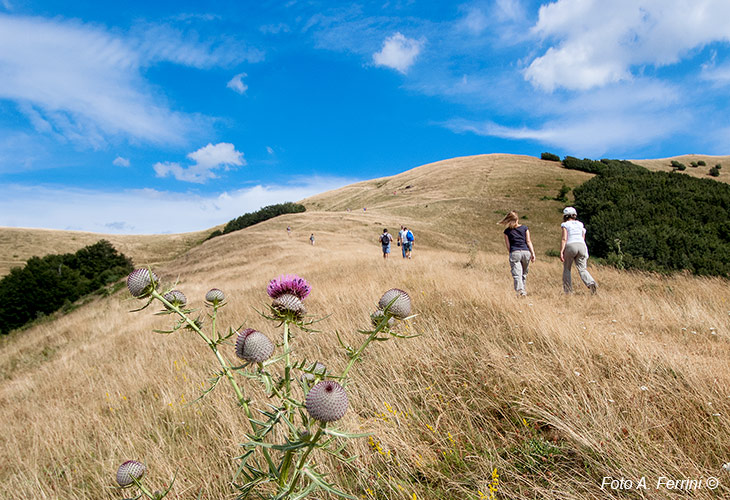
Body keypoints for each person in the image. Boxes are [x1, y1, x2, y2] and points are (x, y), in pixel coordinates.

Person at [560, 207, 597, 294]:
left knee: (567, 269)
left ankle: (568, 291)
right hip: (582, 245)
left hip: (571, 245)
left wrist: (562, 251)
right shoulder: (580, 224)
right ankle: (591, 282)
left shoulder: (565, 225)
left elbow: (564, 238)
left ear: (565, 216)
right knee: (582, 268)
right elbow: (583, 236)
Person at [498, 211, 535, 296]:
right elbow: (528, 241)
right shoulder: (525, 228)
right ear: (517, 219)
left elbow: (508, 246)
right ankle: (523, 290)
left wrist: (511, 253)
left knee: (517, 274)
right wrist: (533, 253)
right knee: (523, 274)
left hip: (515, 252)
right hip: (526, 252)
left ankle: (520, 291)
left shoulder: (507, 232)